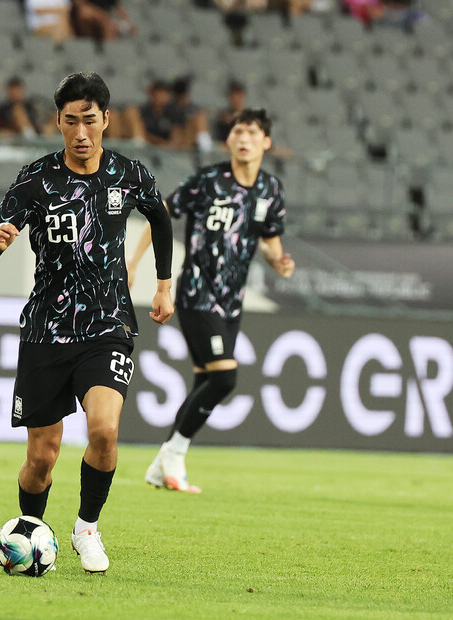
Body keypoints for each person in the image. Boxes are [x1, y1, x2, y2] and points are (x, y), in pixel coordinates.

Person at [0, 72, 174, 573]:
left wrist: (164, 283)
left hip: (107, 325)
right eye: (71, 122)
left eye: (90, 120)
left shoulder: (129, 174)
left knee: (104, 430)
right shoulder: (36, 179)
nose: (81, 132)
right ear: (58, 122)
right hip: (46, 330)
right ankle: (31, 532)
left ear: (106, 119)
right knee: (42, 457)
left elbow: (162, 218)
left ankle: (86, 527)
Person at [127, 109, 294, 493]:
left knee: (206, 379)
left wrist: (279, 263)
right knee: (224, 376)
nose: (243, 138)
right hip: (198, 293)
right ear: (229, 140)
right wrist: (134, 262)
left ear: (265, 142)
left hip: (231, 303)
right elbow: (161, 212)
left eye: (252, 132)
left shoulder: (271, 190)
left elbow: (270, 243)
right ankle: (173, 454)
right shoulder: (209, 181)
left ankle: (165, 463)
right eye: (237, 131)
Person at [125, 79, 181, 148]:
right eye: (157, 93)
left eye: (164, 93)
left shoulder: (174, 112)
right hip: (147, 146)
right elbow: (143, 133)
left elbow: (176, 136)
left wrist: (162, 143)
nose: (160, 97)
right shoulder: (144, 111)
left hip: (167, 149)